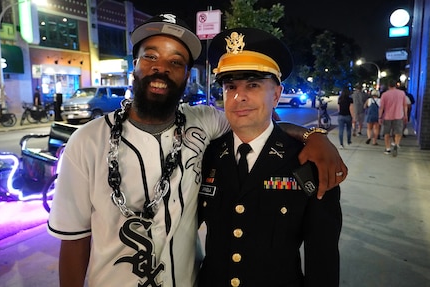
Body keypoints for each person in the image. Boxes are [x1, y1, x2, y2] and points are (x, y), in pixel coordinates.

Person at [47, 14, 347, 287]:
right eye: (149, 56)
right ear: (133, 67)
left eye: (176, 62)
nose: (161, 67)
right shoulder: (88, 140)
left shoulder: (204, 125)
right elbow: (74, 239)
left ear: (186, 74)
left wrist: (314, 136)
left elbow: (261, 125)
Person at [198, 27, 342, 286]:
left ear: (276, 94)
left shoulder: (309, 162)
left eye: (253, 85)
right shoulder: (206, 155)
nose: (239, 96)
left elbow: (323, 258)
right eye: (230, 86)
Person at [378, 80, 408, 156]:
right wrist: (405, 115)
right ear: (396, 85)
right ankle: (396, 144)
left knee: (387, 133)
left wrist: (380, 117)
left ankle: (388, 148)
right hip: (399, 115)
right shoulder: (402, 93)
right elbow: (405, 105)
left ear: (388, 86)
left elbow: (381, 107)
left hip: (387, 116)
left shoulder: (385, 94)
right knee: (398, 132)